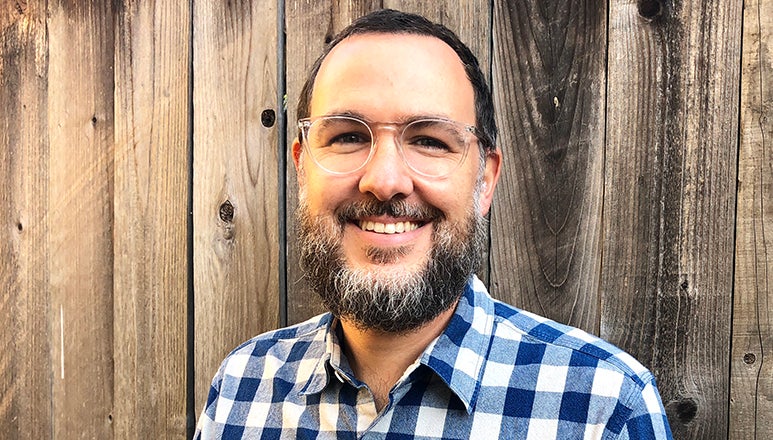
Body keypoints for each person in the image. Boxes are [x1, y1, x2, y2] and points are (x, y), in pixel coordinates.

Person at [195, 9, 673, 439]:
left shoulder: (602, 409)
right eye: (346, 137)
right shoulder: (243, 386)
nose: (384, 181)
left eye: (429, 141)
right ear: (303, 169)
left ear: (484, 180)